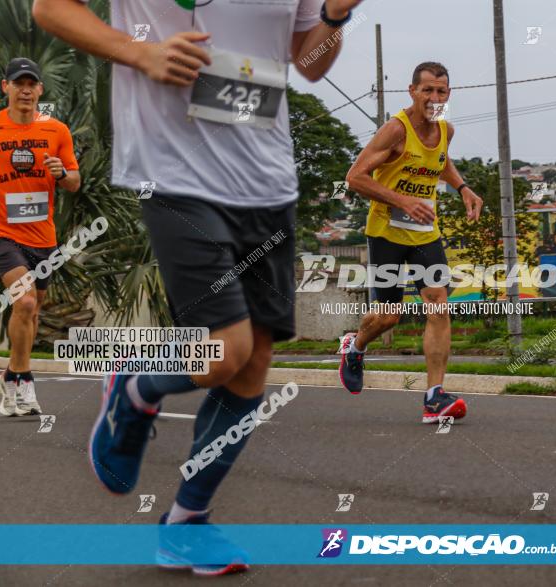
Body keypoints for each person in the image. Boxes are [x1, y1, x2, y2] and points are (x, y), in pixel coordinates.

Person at [34, 0, 362, 575]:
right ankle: (137, 388)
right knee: (226, 349)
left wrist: (334, 16)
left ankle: (187, 521)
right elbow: (49, 8)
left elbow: (307, 63)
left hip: (266, 178)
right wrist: (139, 52)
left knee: (255, 361)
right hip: (173, 172)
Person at [338, 62, 483, 423]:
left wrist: (462, 187)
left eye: (442, 91)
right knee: (388, 316)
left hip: (425, 234)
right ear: (412, 91)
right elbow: (355, 177)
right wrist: (402, 201)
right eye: (428, 90)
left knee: (438, 304)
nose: (434, 98)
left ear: (449, 94)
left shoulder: (446, 130)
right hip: (386, 232)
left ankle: (434, 398)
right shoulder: (395, 131)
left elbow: (441, 162)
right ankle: (355, 347)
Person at [0, 57, 81, 417]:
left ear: (40, 91)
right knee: (26, 302)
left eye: (32, 84)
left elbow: (75, 183)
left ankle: (9, 376)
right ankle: (23, 380)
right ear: (6, 88)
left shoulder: (57, 130)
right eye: (19, 83)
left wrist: (62, 172)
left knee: (31, 314)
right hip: (3, 235)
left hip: (43, 237)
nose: (26, 90)